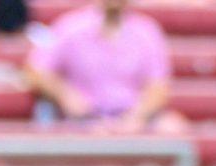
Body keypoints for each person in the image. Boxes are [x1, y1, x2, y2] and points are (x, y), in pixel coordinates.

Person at [24, 0, 184, 134]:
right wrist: (65, 95)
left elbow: (159, 86)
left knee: (173, 128)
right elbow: (36, 71)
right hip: (82, 120)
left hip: (132, 118)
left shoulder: (146, 30)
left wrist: (137, 117)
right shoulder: (71, 26)